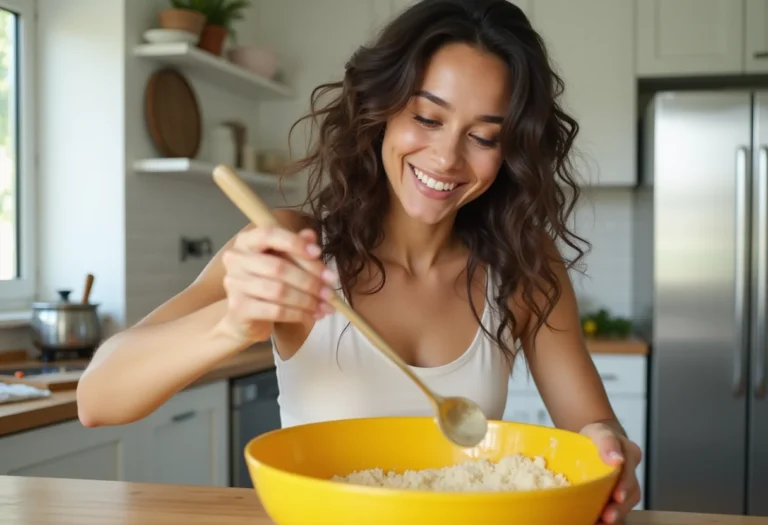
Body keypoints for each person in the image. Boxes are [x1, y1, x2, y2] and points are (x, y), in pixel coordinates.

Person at [77, 0, 641, 522]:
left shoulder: (524, 267)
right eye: (427, 118)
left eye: (484, 137)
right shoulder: (293, 244)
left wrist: (610, 452)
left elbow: (591, 428)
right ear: (382, 112)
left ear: (510, 153)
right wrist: (231, 324)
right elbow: (97, 397)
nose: (446, 157)